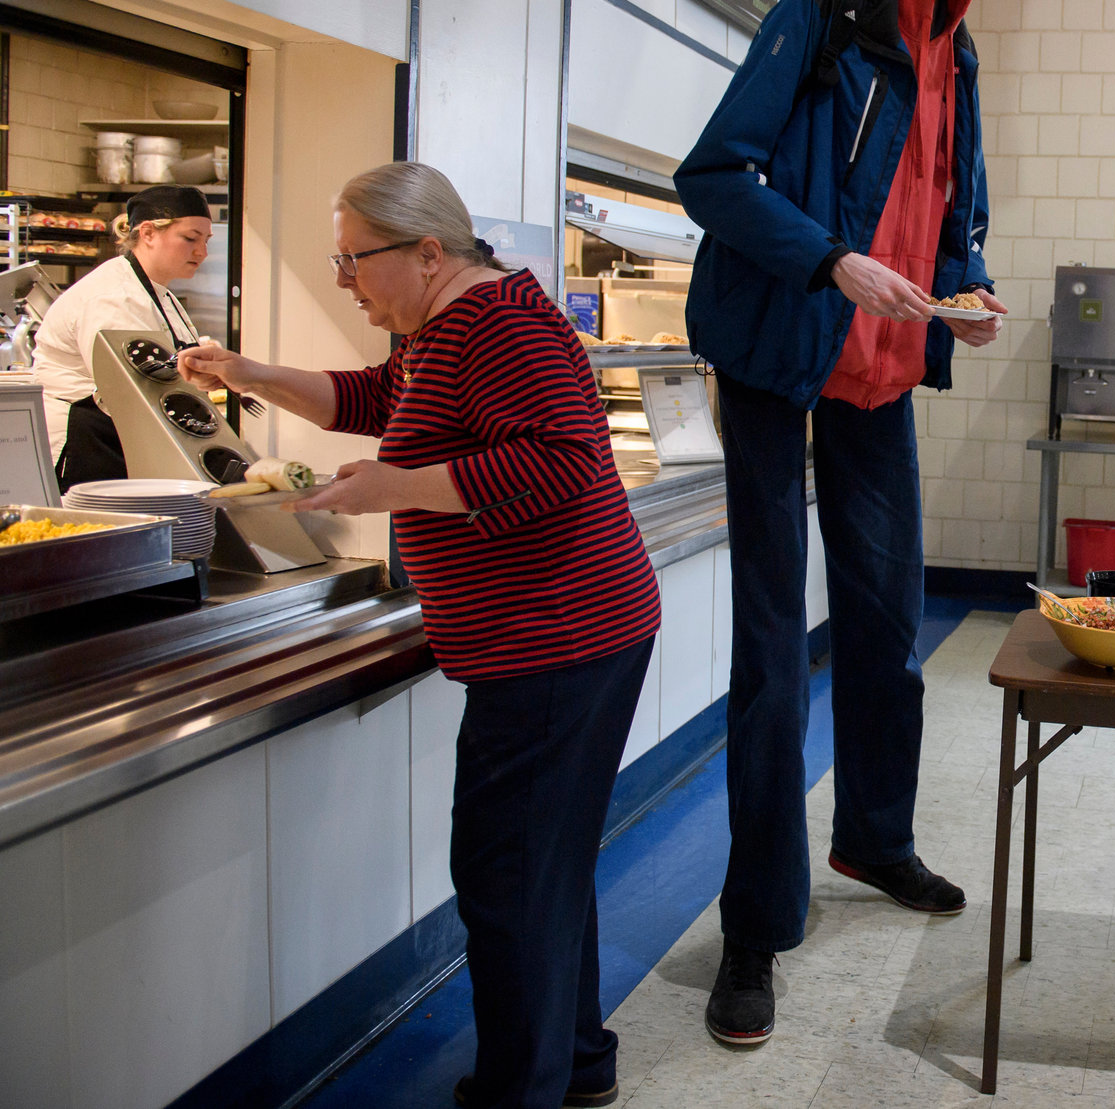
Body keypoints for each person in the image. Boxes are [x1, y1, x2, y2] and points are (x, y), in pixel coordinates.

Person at [179, 162, 660, 1109]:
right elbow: (374, 399)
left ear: (428, 251)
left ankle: (523, 1086)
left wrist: (392, 487)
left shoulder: (504, 325)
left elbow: (562, 461)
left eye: (356, 261)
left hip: (556, 637)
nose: (346, 280)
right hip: (565, 632)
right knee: (542, 861)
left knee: (508, 870)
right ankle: (576, 1063)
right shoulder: (440, 330)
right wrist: (251, 374)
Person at [670, 0, 1009, 1046]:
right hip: (775, 358)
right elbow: (712, 172)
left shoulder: (955, 59)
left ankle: (873, 840)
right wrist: (828, 258)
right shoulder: (823, 13)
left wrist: (966, 294)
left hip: (880, 379)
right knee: (771, 654)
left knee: (885, 633)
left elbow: (955, 219)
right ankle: (755, 924)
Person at [32, 184, 210, 488]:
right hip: (86, 440)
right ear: (148, 233)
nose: (202, 252)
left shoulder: (160, 293)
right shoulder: (112, 296)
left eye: (206, 241)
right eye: (190, 238)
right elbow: (126, 390)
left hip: (116, 435)